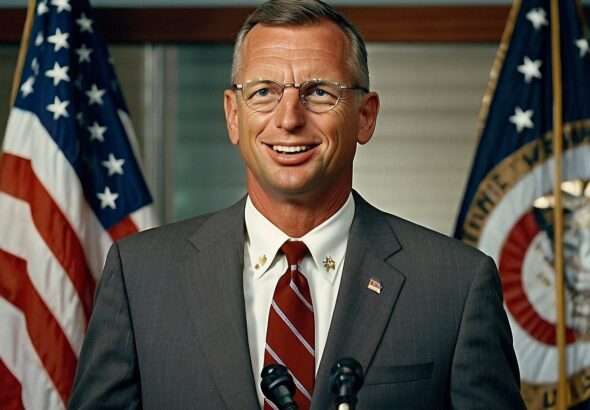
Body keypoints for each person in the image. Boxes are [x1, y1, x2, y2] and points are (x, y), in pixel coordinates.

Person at [68, 1, 525, 409]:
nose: (289, 119)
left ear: (365, 117)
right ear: (233, 114)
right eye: (264, 91)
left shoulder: (455, 286)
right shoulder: (142, 276)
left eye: (319, 92)